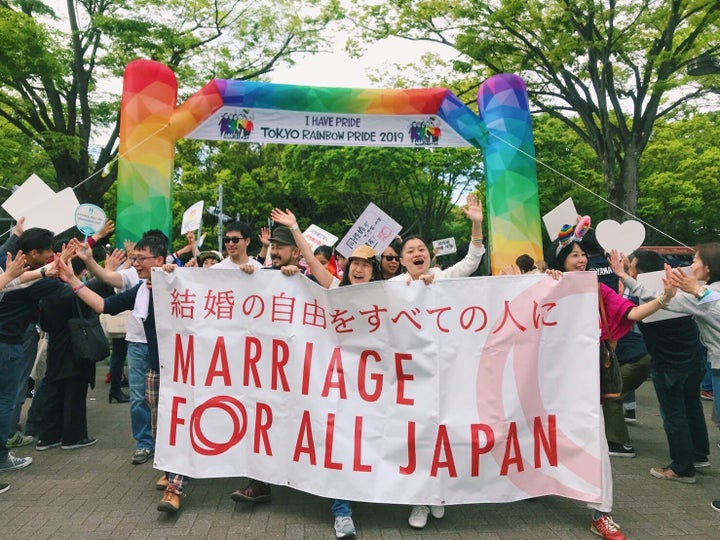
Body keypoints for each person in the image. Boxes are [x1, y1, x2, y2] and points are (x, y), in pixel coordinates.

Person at [545, 220, 675, 540]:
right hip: (547, 382)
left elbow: (631, 313)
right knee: (541, 432)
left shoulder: (598, 290)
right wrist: (542, 280)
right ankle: (539, 478)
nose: (581, 259)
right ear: (559, 262)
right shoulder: (547, 286)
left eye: (582, 254)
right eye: (573, 255)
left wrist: (664, 299)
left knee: (596, 442)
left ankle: (602, 513)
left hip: (587, 382)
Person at [57, 235, 193, 512]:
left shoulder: (182, 283)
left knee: (177, 425)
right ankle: (171, 469)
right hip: (157, 369)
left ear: (160, 259)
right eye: (134, 258)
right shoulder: (142, 290)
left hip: (185, 371)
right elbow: (102, 306)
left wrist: (175, 275)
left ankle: (174, 487)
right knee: (160, 426)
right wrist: (72, 279)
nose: (135, 264)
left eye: (140, 259)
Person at [389, 193, 485, 529]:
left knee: (443, 433)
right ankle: (419, 500)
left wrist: (476, 223)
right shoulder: (391, 287)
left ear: (429, 255)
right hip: (409, 377)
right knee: (416, 438)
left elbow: (472, 260)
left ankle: (437, 494)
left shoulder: (444, 278)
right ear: (401, 260)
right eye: (410, 252)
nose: (417, 254)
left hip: (446, 373)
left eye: (421, 250)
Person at [609, 243, 720, 512]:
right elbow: (663, 297)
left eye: (694, 260)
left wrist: (697, 291)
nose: (689, 265)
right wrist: (625, 276)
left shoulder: (704, 296)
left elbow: (664, 300)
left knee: (674, 415)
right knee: (691, 408)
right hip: (697, 364)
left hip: (672, 366)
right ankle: (697, 455)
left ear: (707, 267)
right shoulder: (693, 295)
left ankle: (682, 468)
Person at [35, 249, 114, 451]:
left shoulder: (47, 289)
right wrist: (108, 271)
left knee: (54, 392)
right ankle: (74, 437)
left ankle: (48, 437)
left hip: (56, 349)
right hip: (77, 349)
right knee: (75, 393)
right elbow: (98, 289)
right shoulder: (72, 291)